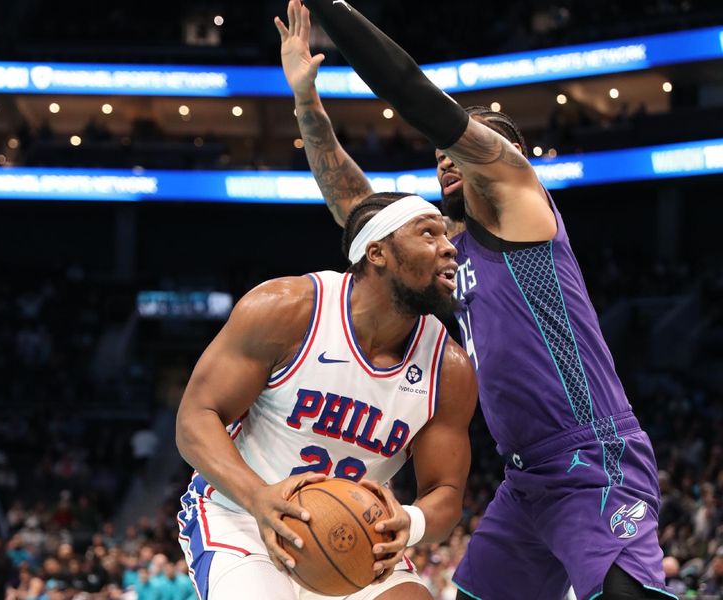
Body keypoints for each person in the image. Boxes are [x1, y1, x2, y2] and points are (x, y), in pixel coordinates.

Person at [281, 1, 674, 598]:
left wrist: (335, 14)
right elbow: (355, 208)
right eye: (441, 154)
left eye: (463, 146)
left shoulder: (524, 209)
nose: (446, 157)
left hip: (592, 457)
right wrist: (307, 104)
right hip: (525, 478)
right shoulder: (449, 257)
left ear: (504, 159)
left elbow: (413, 92)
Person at [175, 192, 477, 600]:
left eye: (446, 236)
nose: (448, 247)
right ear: (377, 253)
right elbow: (196, 419)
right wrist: (257, 497)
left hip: (353, 531)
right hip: (243, 512)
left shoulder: (450, 369)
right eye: (428, 234)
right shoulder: (288, 309)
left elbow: (445, 492)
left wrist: (410, 520)